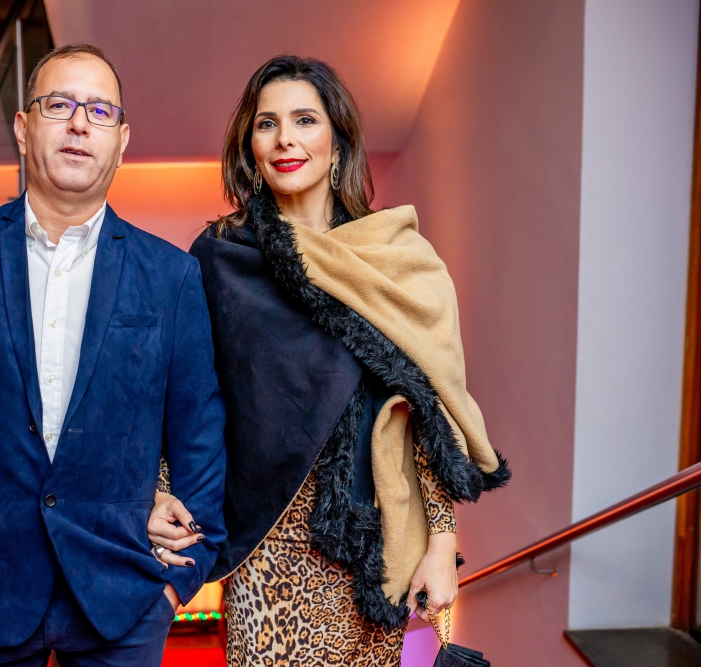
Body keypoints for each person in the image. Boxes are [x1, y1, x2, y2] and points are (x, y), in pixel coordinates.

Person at [148, 55, 510, 666]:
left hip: (372, 544)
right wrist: (162, 493)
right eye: (267, 124)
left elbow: (425, 410)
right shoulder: (220, 258)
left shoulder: (392, 258)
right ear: (250, 147)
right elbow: (181, 394)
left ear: (338, 143)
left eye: (305, 120)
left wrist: (442, 541)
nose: (284, 139)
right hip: (266, 545)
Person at [0, 43, 226, 667]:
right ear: (22, 128)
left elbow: (199, 432)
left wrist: (181, 579)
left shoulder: (170, 276)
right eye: (59, 104)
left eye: (100, 111)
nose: (79, 123)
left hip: (121, 598)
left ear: (121, 141)